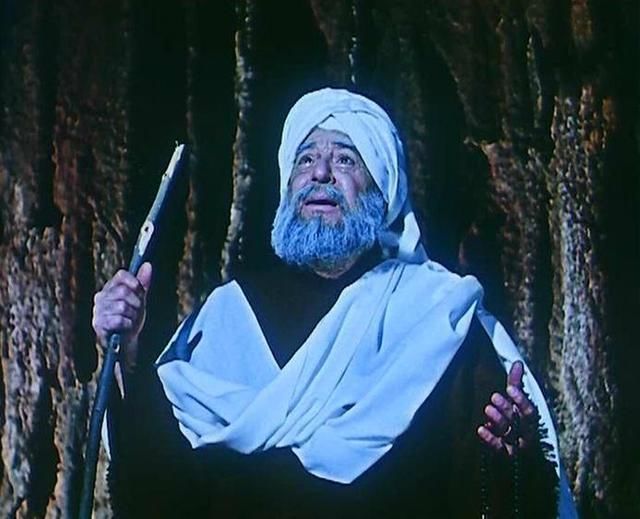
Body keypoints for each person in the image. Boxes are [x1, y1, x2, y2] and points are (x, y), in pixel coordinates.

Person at [93, 88, 575, 517]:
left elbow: (490, 497)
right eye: (305, 160)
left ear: (382, 189)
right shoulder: (227, 315)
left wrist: (515, 463)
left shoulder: (435, 317)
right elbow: (161, 495)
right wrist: (129, 355)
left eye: (345, 159)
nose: (320, 173)